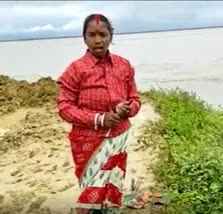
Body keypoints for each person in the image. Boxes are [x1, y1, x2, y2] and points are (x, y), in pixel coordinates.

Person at [56, 13, 141, 214]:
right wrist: (100, 119)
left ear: (111, 35)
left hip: (119, 138)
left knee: (113, 185)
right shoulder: (75, 70)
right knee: (91, 191)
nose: (98, 40)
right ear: (84, 37)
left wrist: (127, 108)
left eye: (102, 34)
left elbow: (135, 99)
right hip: (89, 142)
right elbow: (64, 108)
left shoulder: (124, 65)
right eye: (92, 35)